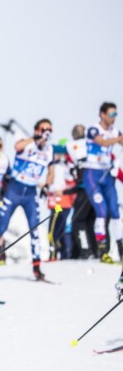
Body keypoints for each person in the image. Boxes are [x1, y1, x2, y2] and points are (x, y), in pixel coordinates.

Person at [0, 119, 55, 280]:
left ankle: (37, 267)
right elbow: (17, 147)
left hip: (30, 193)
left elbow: (51, 172)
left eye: (50, 130)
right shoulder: (27, 143)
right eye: (44, 129)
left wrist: (47, 185)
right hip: (15, 190)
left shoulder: (49, 150)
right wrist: (35, 138)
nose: (47, 133)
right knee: (2, 227)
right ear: (37, 130)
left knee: (35, 229)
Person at [84, 102, 122, 263]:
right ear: (102, 114)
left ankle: (121, 250)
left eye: (116, 114)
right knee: (102, 211)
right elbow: (102, 142)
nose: (114, 117)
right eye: (111, 114)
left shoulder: (115, 131)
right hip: (92, 174)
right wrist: (118, 139)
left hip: (106, 175)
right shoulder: (93, 129)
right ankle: (102, 250)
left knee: (115, 212)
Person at [66, 124, 96, 258]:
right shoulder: (94, 145)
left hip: (84, 190)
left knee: (78, 220)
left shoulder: (72, 146)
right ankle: (96, 251)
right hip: (97, 190)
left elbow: (57, 150)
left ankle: (86, 251)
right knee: (89, 221)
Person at [47, 142, 75, 260]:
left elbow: (52, 184)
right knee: (60, 230)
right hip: (64, 204)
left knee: (52, 231)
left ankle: (53, 255)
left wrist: (47, 188)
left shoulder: (58, 167)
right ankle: (63, 254)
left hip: (59, 204)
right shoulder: (66, 166)